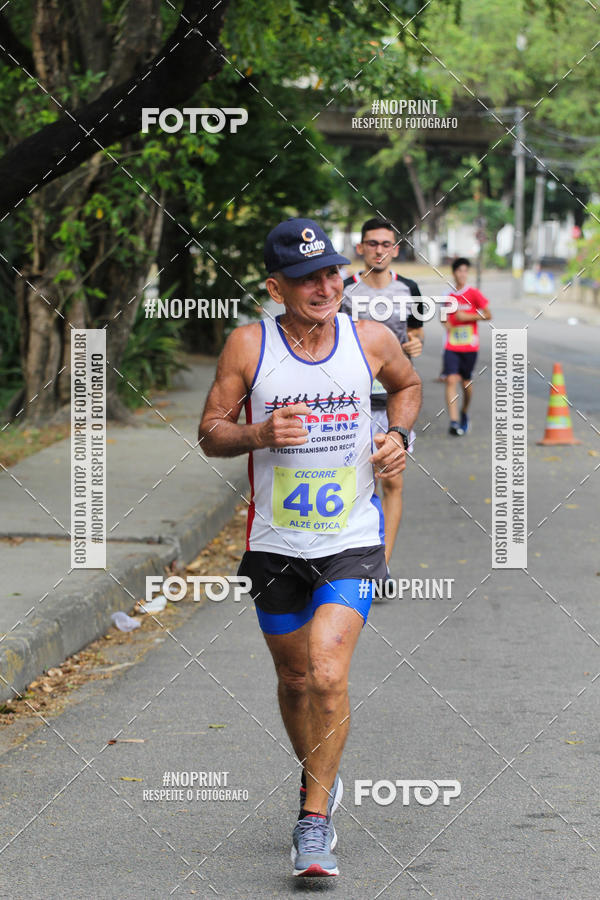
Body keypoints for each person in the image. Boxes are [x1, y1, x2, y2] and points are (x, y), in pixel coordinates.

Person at [198, 217, 421, 878]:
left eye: (329, 273)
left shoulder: (371, 338)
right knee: (295, 679)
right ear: (276, 286)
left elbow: (407, 388)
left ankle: (314, 820)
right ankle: (315, 781)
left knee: (326, 670)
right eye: (304, 279)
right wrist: (259, 434)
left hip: (351, 538)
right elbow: (211, 431)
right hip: (273, 545)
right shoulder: (248, 346)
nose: (322, 287)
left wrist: (399, 437)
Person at [340, 217, 423, 566]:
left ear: (395, 249)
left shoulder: (410, 289)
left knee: (392, 485)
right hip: (349, 405)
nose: (379, 250)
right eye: (372, 243)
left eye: (385, 244)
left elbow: (416, 337)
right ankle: (342, 559)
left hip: (392, 404)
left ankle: (381, 566)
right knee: (350, 486)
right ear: (360, 248)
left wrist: (415, 345)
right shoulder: (342, 289)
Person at [443, 257, 492, 436]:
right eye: (459, 271)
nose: (462, 274)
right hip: (451, 345)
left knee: (466, 383)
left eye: (465, 271)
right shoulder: (448, 297)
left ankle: (464, 412)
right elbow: (443, 317)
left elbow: (488, 315)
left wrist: (469, 317)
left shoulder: (473, 293)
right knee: (450, 379)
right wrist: (446, 324)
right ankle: (454, 422)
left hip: (470, 346)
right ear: (454, 273)